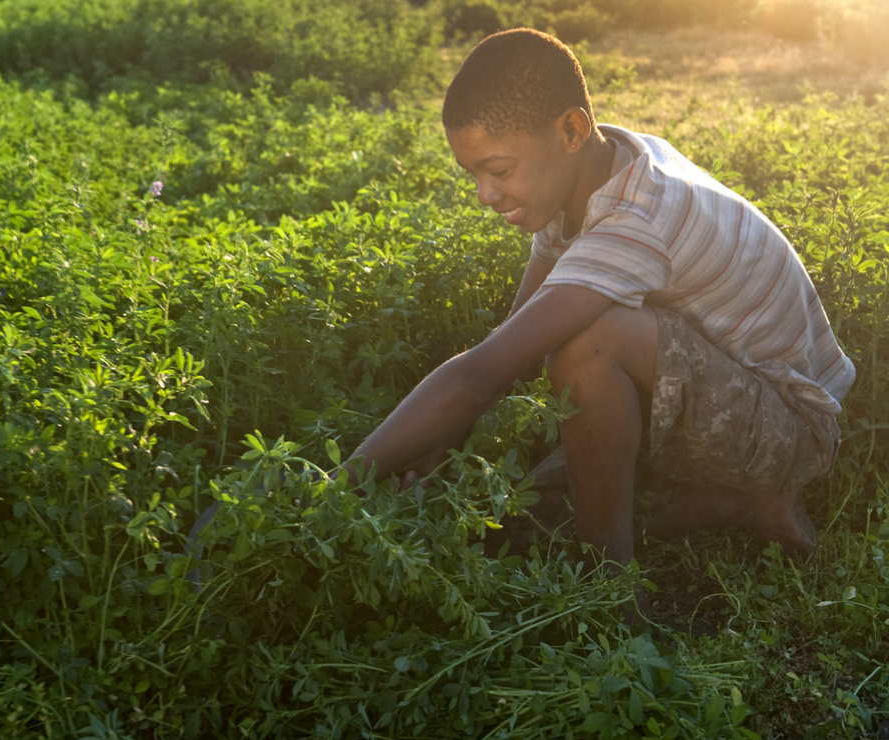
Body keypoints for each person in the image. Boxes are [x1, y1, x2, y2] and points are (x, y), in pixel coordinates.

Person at [343, 28, 854, 568]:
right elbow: (512, 339)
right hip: (725, 398)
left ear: (570, 129)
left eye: (499, 171)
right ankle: (739, 503)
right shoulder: (602, 161)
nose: (485, 196)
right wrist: (446, 435)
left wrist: (340, 480)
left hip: (791, 430)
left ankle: (609, 589)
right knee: (515, 520)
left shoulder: (635, 218)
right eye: (474, 175)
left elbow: (480, 374)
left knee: (586, 345)